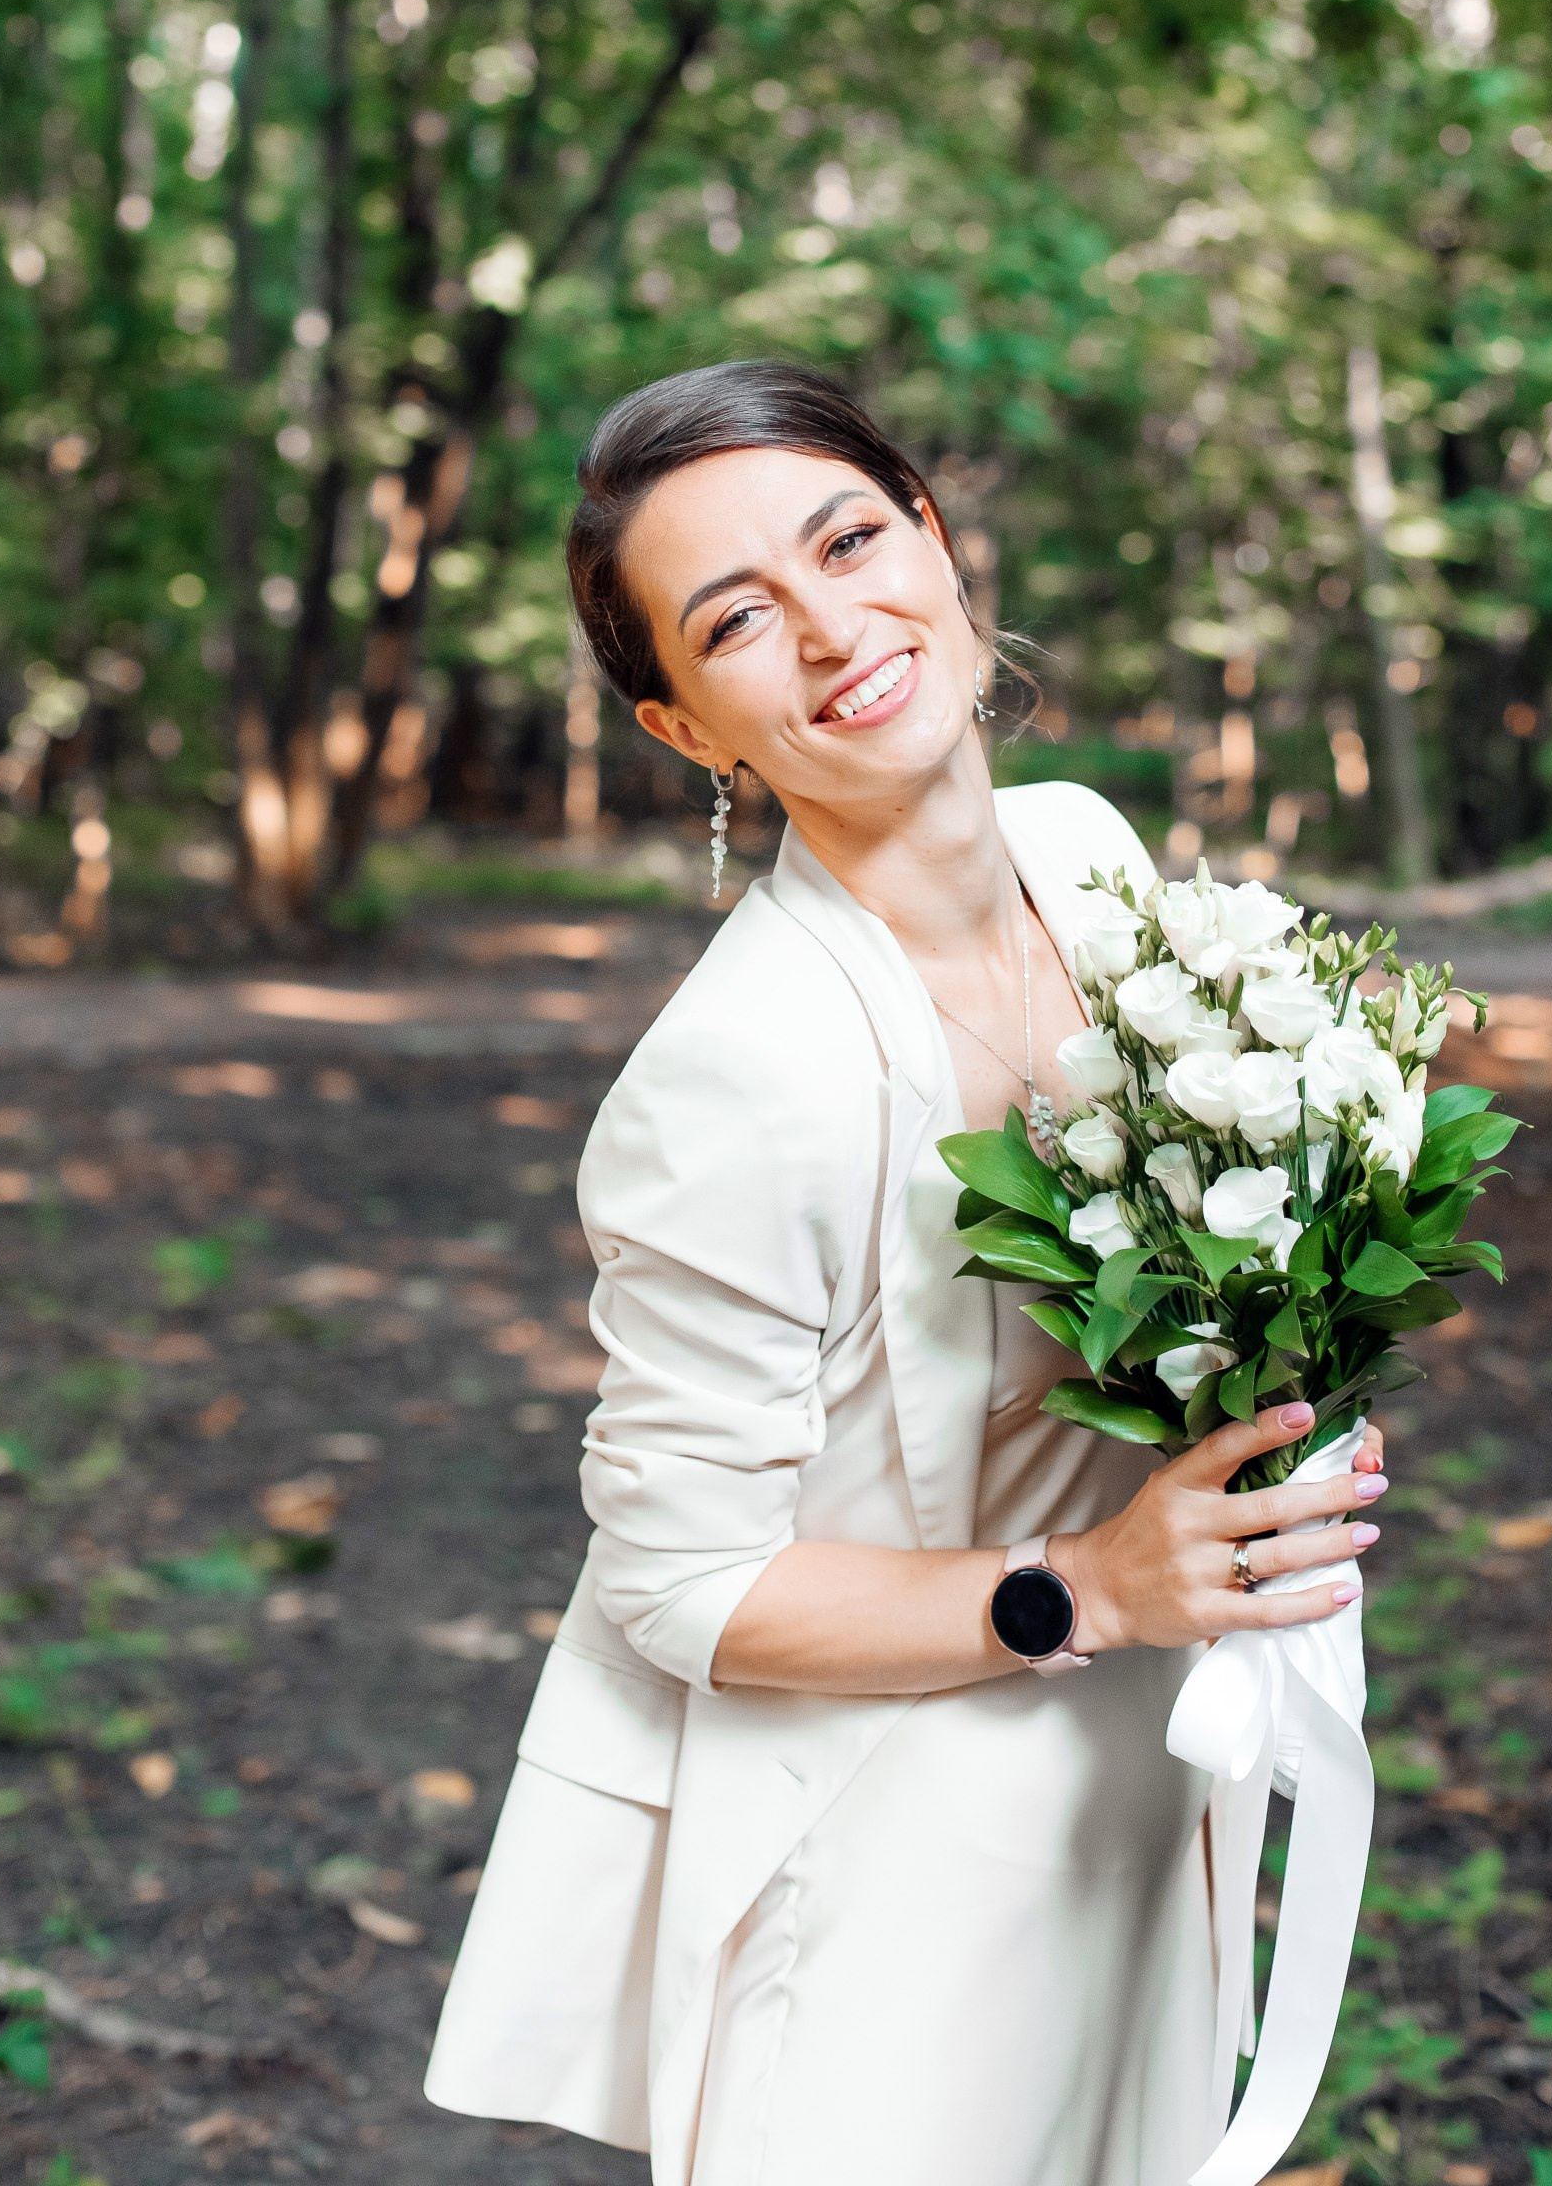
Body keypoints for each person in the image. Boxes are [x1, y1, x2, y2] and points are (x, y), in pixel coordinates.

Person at [425, 360, 1388, 2186]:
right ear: (689, 729)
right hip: (897, 1845)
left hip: (1146, 1780)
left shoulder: (1088, 858)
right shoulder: (736, 1079)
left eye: (850, 540)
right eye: (737, 622)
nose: (831, 628)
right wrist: (1089, 1587)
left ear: (932, 540)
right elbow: (684, 1587)